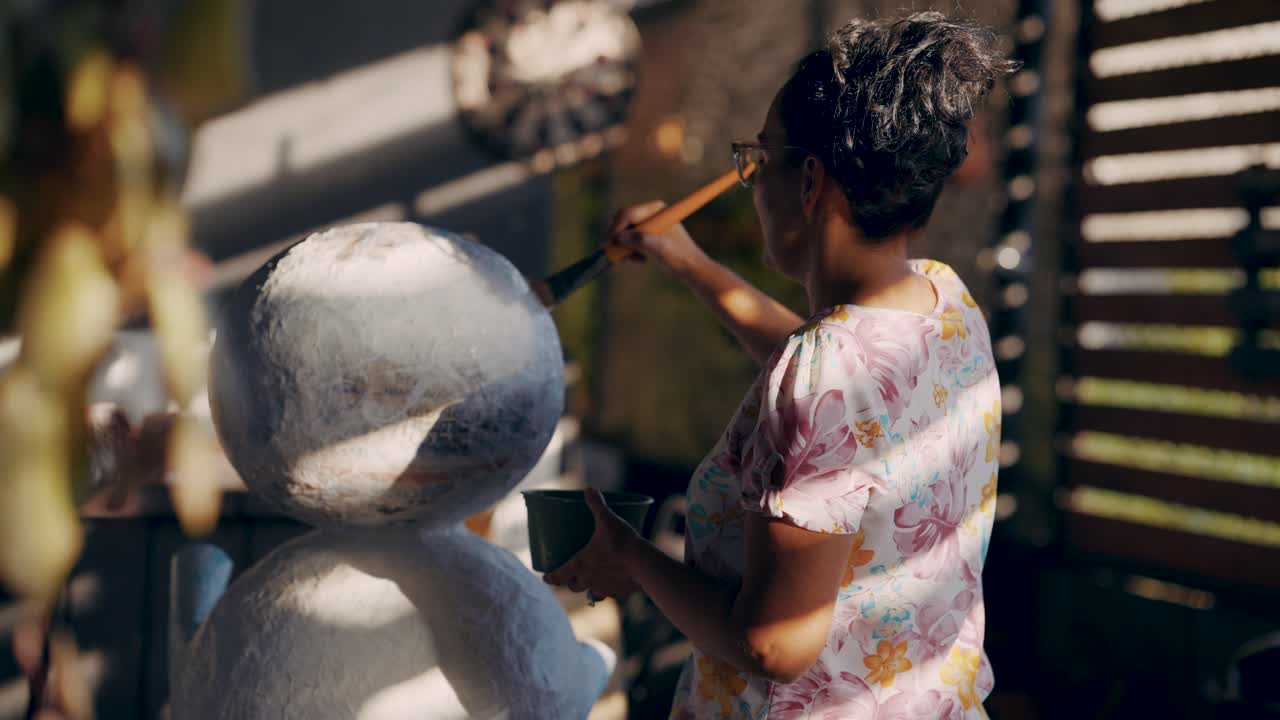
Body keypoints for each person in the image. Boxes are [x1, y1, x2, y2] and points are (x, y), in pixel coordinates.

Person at [545, 11, 1016, 718]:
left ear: (809, 183)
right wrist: (692, 263)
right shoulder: (945, 301)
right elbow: (848, 396)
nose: (751, 180)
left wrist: (634, 558)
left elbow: (773, 647)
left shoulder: (827, 371)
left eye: (757, 159)